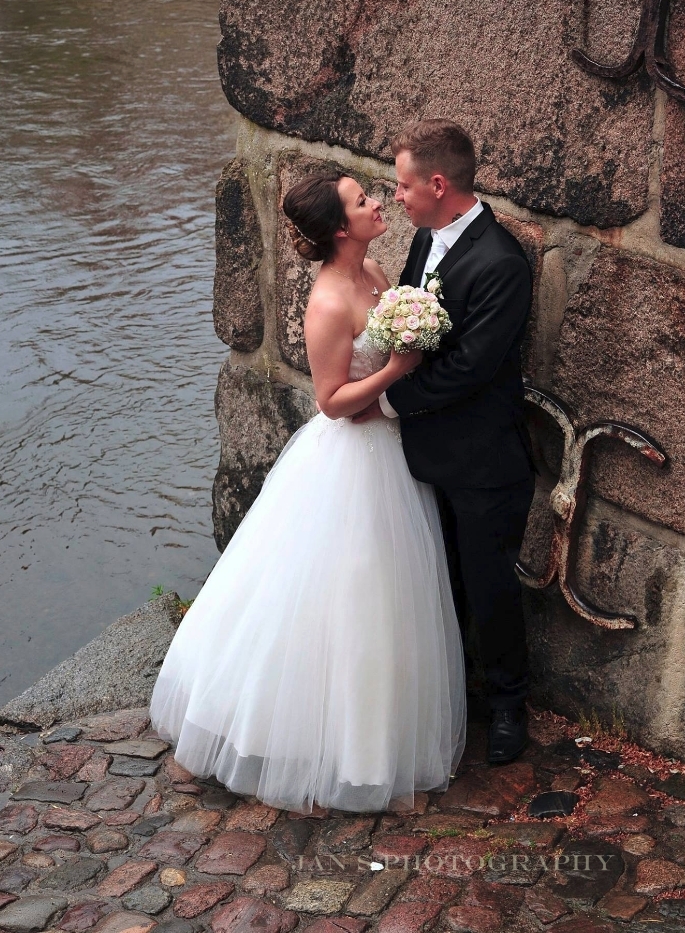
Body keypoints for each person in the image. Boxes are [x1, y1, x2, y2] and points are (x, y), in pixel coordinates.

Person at [149, 172, 466, 815]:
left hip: (392, 457)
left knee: (382, 605)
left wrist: (416, 345)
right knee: (330, 597)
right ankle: (295, 750)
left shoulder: (375, 272)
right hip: (349, 462)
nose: (379, 202)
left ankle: (371, 755)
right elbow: (331, 402)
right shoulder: (325, 304)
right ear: (340, 229)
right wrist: (398, 369)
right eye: (362, 200)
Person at [353, 119, 536, 765]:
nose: (395, 197)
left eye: (402, 185)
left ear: (437, 183)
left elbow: (474, 366)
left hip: (484, 459)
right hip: (425, 450)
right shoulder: (427, 239)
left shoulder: (501, 262)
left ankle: (510, 706)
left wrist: (385, 399)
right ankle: (449, 696)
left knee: (488, 586)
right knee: (436, 582)